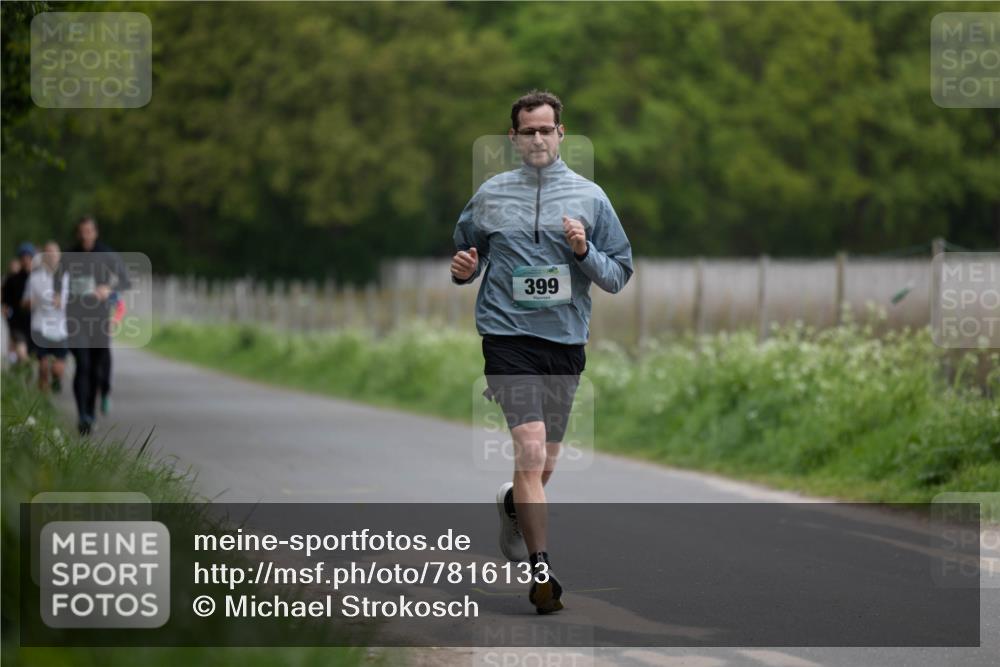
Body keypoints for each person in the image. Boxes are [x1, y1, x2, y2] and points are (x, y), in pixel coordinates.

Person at [450, 90, 634, 614]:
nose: (537, 138)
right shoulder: (489, 195)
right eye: (527, 131)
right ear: (513, 138)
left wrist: (583, 250)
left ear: (561, 134)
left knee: (545, 464)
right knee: (529, 452)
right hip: (507, 339)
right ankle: (542, 572)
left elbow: (618, 275)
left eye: (546, 130)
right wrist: (463, 270)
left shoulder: (591, 198)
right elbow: (467, 256)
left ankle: (513, 504)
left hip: (565, 341)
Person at [64, 216, 131, 434]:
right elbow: (56, 280)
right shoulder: (70, 255)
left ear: (96, 232)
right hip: (76, 319)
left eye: (89, 231)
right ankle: (82, 413)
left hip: (99, 319)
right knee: (82, 365)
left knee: (95, 368)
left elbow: (125, 280)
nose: (86, 235)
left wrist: (108, 290)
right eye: (82, 231)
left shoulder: (106, 253)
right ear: (78, 233)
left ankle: (90, 413)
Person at [25, 241, 70, 393]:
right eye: (48, 253)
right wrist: (31, 302)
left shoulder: (67, 277)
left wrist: (62, 301)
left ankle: (56, 379)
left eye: (54, 253)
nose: (51, 256)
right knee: (43, 367)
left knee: (57, 369)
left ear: (59, 256)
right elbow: (25, 301)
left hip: (60, 328)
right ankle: (42, 404)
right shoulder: (34, 278)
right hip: (40, 326)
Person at [1, 243, 36, 366]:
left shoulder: (40, 278)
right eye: (23, 257)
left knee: (35, 359)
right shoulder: (12, 280)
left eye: (29, 257)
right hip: (18, 324)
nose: (26, 260)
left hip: (36, 325)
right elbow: (5, 302)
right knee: (23, 355)